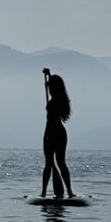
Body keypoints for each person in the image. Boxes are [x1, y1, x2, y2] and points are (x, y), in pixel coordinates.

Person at [41, 69, 75, 199]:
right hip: (60, 132)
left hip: (52, 132)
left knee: (50, 163)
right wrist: (49, 75)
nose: (49, 90)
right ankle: (69, 192)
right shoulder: (60, 98)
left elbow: (54, 118)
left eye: (50, 87)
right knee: (60, 163)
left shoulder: (56, 100)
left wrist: (49, 134)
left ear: (54, 87)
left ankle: (43, 192)